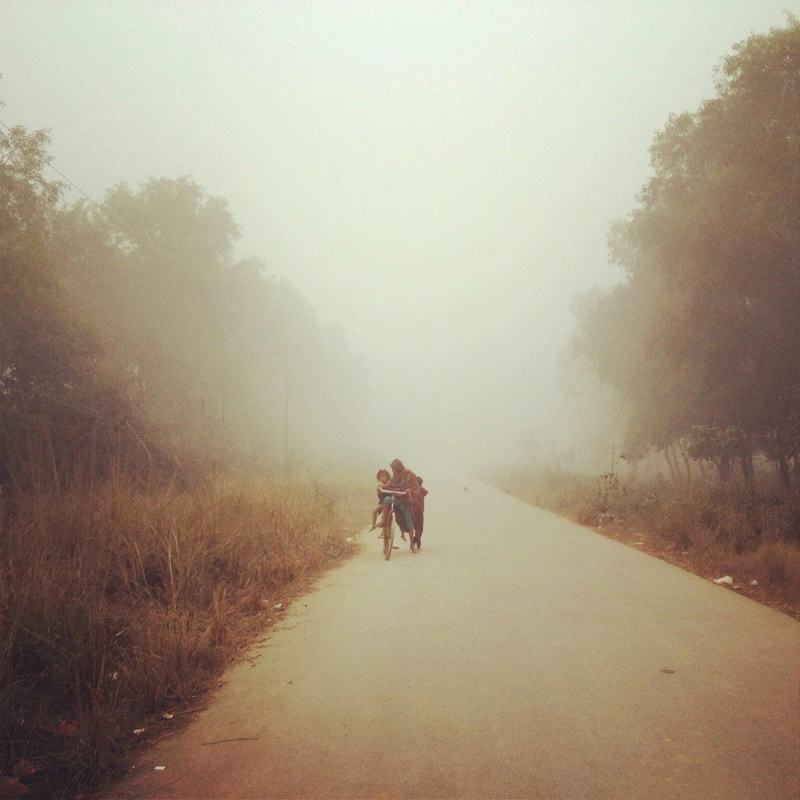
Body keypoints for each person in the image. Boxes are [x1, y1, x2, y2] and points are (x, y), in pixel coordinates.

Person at [386, 459, 427, 552]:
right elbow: (391, 486)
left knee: (409, 520)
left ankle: (412, 544)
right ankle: (384, 521)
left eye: (394, 468)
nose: (393, 471)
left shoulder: (409, 475)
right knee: (386, 501)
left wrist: (409, 491)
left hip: (404, 501)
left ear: (398, 467)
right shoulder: (395, 477)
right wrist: (383, 488)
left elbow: (415, 488)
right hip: (395, 499)